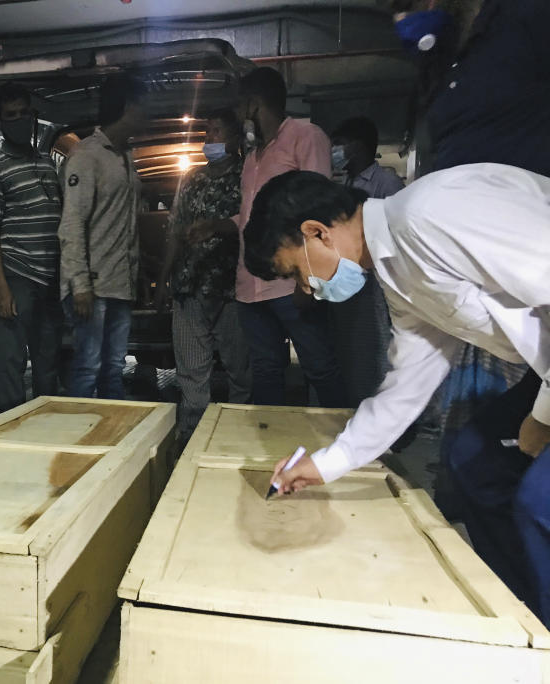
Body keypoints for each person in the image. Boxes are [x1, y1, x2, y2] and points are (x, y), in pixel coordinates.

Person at [243, 166, 550, 623]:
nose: (306, 288)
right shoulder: (399, 274)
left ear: (317, 233)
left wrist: (543, 418)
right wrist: (326, 464)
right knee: (472, 462)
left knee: (539, 504)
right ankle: (525, 616)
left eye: (296, 272)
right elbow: (406, 388)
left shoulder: (432, 215)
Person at [391, 0, 550, 513]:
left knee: (527, 495)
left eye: (410, 4)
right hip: (481, 270)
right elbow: (409, 371)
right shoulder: (449, 54)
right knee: (468, 468)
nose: (403, 18)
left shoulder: (526, 20)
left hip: (522, 258)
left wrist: (543, 417)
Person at [232, 67, 347, 408]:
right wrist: (220, 226)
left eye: (240, 106)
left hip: (290, 282)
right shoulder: (252, 158)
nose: (238, 115)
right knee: (266, 370)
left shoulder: (304, 136)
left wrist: (308, 281)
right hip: (251, 286)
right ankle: (272, 447)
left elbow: (320, 209)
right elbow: (254, 216)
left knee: (319, 367)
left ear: (253, 105)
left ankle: (341, 448)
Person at [155, 109, 251, 437]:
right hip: (190, 286)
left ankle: (238, 437)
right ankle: (191, 440)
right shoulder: (192, 179)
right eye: (207, 133)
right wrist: (164, 279)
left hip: (234, 289)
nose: (210, 139)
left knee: (241, 373)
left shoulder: (249, 175)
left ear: (237, 139)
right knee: (192, 375)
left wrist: (218, 228)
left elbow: (253, 224)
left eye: (217, 131)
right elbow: (175, 230)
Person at [0, 83, 64, 411]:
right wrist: (1, 288)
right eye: (11, 116)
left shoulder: (46, 162)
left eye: (24, 113)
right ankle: (10, 422)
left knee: (48, 357)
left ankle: (43, 419)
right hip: (17, 276)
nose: (20, 120)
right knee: (11, 360)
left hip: (50, 278)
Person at [58, 76, 145, 399]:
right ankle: (78, 439)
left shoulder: (125, 155)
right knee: (88, 366)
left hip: (119, 282)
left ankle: (111, 440)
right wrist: (79, 285)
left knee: (113, 367)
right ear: (130, 107)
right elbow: (72, 223)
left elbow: (126, 222)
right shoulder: (87, 155)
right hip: (91, 286)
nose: (147, 115)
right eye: (143, 107)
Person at [328, 116, 405, 408]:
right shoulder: (343, 183)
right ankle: (359, 411)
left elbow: (394, 235)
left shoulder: (387, 183)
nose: (334, 151)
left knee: (377, 351)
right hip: (349, 281)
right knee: (352, 352)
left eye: (339, 144)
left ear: (358, 147)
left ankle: (385, 416)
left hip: (376, 283)